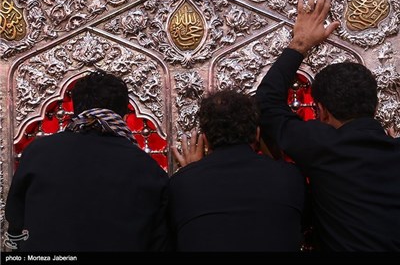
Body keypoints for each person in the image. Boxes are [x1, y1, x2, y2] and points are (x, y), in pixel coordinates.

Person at [256, 0, 400, 251]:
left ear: (321, 111)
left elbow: (267, 103)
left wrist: (299, 44)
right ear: (375, 105)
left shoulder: (323, 146)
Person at [5, 70, 170, 251]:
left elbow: (16, 223)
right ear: (124, 116)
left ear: (75, 110)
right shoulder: (149, 169)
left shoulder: (38, 153)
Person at [169, 89, 305, 251]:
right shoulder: (290, 177)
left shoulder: (181, 184)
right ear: (257, 133)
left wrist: (191, 174)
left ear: (205, 139)